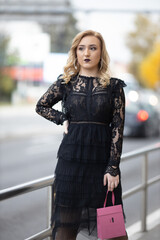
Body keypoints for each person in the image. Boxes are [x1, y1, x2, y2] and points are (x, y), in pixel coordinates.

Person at [36, 30, 128, 240]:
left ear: (100, 53)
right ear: (76, 52)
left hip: (102, 168)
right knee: (65, 229)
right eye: (81, 48)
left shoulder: (114, 87)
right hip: (70, 165)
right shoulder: (66, 83)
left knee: (114, 232)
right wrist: (62, 118)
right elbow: (41, 106)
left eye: (93, 48)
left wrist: (113, 167)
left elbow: (117, 128)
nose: (86, 53)